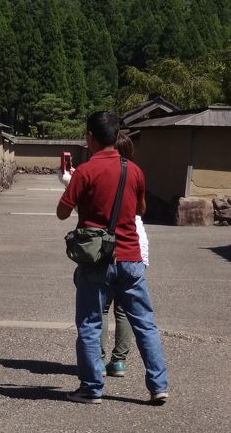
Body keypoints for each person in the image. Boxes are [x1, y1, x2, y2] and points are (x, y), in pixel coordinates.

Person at [56, 111, 168, 405]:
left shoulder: (85, 171)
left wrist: (80, 194)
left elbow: (62, 212)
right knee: (145, 323)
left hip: (96, 260)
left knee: (91, 324)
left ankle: (92, 389)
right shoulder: (134, 170)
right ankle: (158, 386)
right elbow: (140, 208)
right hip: (131, 257)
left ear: (90, 137)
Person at [100, 133, 149, 378]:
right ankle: (118, 362)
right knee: (123, 311)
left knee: (100, 309)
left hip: (108, 251)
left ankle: (97, 360)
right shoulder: (136, 173)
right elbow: (142, 208)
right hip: (136, 249)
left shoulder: (101, 173)